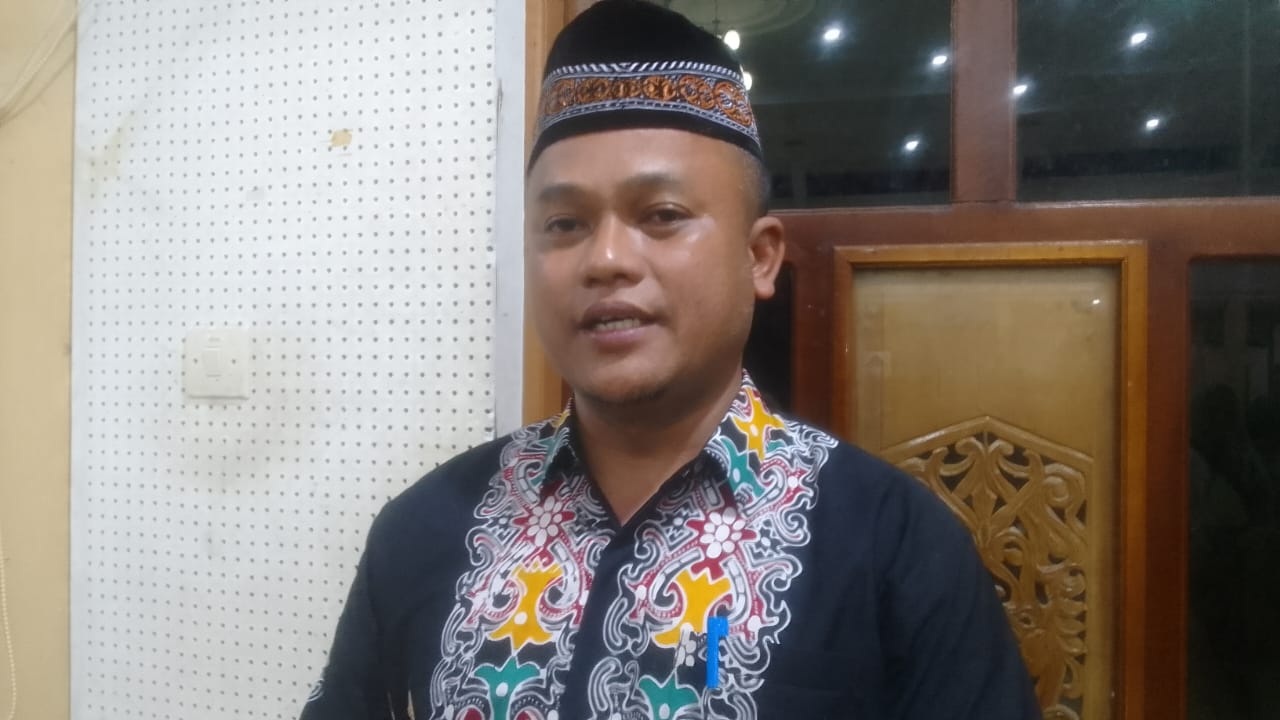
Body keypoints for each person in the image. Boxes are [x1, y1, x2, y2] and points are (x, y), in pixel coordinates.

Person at [300, 1, 1039, 718]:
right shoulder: (425, 527)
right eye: (564, 224)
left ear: (759, 257)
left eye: (661, 216)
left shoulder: (894, 548)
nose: (606, 259)